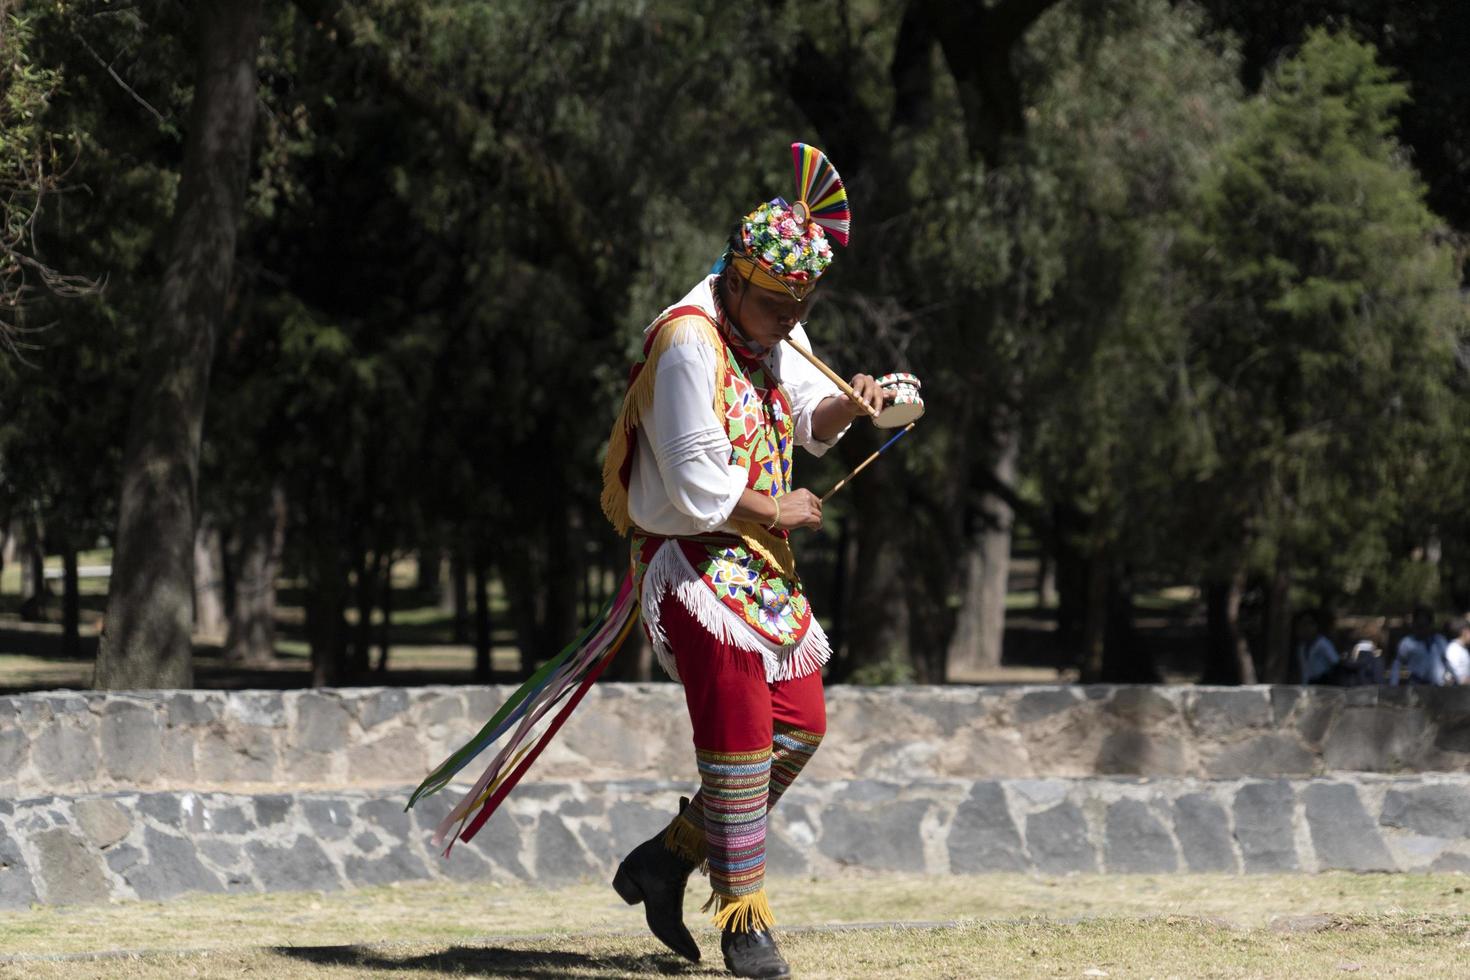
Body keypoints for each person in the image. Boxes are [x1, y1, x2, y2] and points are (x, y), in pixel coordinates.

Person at [600, 144, 890, 979]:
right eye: (772, 304)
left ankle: (664, 859)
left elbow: (805, 413)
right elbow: (694, 479)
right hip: (692, 559)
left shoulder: (774, 320)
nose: (787, 321)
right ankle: (744, 921)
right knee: (737, 733)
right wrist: (778, 507)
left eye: (799, 306)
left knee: (800, 723)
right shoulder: (689, 341)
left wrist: (849, 403)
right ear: (735, 276)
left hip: (757, 561)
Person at [1390, 606, 1449, 686]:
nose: (1422, 629)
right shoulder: (1407, 643)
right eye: (1419, 625)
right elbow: (1397, 664)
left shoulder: (1440, 641)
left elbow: (1447, 662)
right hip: (1416, 686)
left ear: (1430, 624)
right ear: (1414, 624)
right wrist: (1393, 684)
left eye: (1425, 625)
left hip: (1438, 687)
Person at [1293, 611, 1341, 684]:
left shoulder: (1323, 643)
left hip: (1323, 687)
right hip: (1307, 687)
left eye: (1310, 624)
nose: (1306, 628)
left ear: (1316, 626)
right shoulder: (1301, 647)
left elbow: (1335, 663)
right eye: (1303, 624)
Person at [1443, 617, 1470, 686]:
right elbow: (1455, 677)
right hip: (1457, 693)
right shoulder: (1454, 650)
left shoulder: (1463, 649)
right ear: (1464, 632)